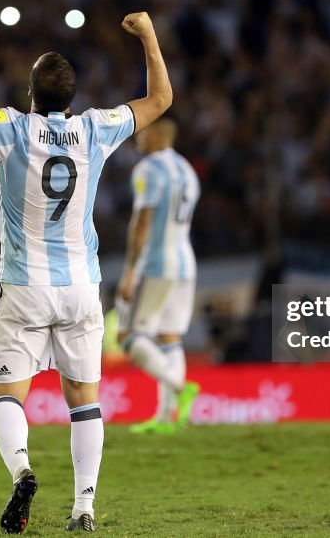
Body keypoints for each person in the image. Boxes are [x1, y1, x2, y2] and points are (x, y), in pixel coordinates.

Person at [0, 11, 172, 533]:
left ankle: (23, 471)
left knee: (7, 395)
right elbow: (160, 101)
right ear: (72, 98)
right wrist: (148, 35)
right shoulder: (94, 128)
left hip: (23, 286)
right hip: (81, 287)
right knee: (85, 401)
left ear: (30, 93)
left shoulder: (10, 128)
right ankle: (84, 509)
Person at [116, 118, 201, 434]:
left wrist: (129, 272)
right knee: (168, 336)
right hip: (185, 263)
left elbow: (143, 221)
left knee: (127, 336)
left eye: (144, 131)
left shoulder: (149, 169)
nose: (138, 135)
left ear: (159, 135)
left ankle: (180, 387)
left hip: (155, 264)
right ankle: (168, 418)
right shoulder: (188, 170)